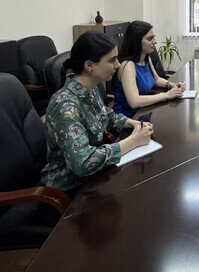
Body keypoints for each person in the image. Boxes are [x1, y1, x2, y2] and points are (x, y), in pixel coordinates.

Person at [41, 31, 153, 194]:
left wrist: (133, 123)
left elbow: (106, 115)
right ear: (89, 65)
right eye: (112, 60)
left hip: (95, 176)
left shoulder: (90, 89)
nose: (118, 65)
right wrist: (133, 141)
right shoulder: (65, 107)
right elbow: (83, 163)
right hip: (69, 188)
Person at [113, 21, 184, 117]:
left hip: (144, 111)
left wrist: (171, 85)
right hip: (128, 118)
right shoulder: (128, 66)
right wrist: (166, 95)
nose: (155, 41)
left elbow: (156, 79)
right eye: (150, 38)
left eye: (154, 37)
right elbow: (134, 102)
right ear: (137, 41)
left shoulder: (146, 58)